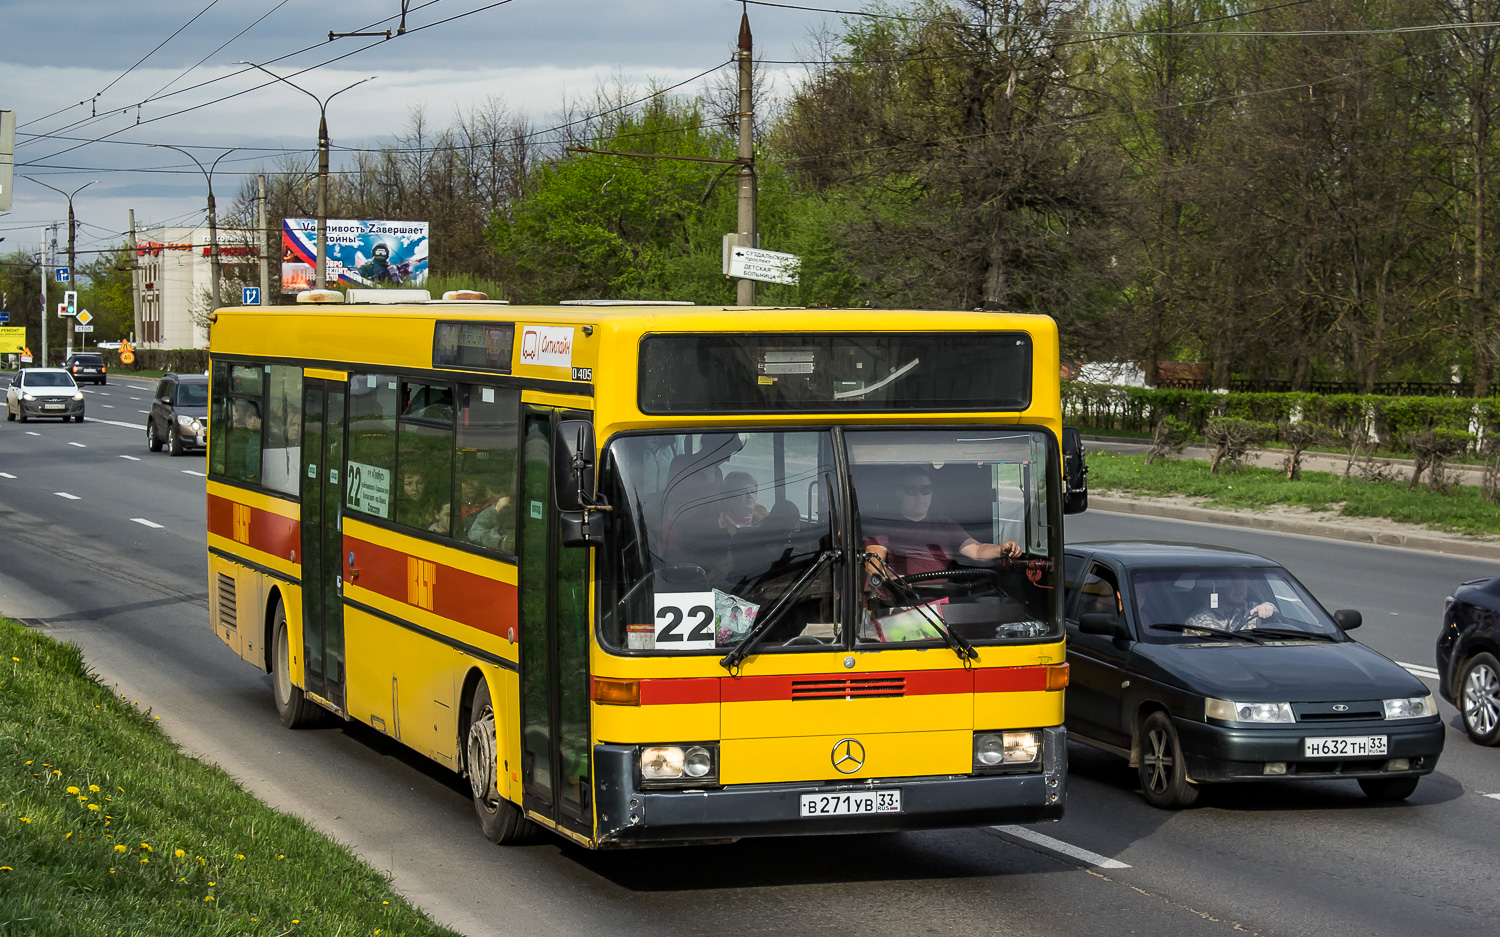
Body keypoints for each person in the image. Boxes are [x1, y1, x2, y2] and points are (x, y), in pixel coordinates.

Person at [863, 466, 1020, 580]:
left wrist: (1002, 550)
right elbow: (874, 558)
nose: (920, 496)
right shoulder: (885, 525)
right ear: (899, 493)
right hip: (902, 603)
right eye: (912, 490)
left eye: (926, 490)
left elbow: (977, 550)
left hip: (942, 603)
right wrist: (889, 577)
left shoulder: (945, 524)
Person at [1185, 576, 1277, 632]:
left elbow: (1281, 628)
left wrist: (1270, 608)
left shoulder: (1255, 610)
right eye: (1235, 584)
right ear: (1222, 587)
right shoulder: (1199, 620)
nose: (1239, 589)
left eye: (1242, 584)